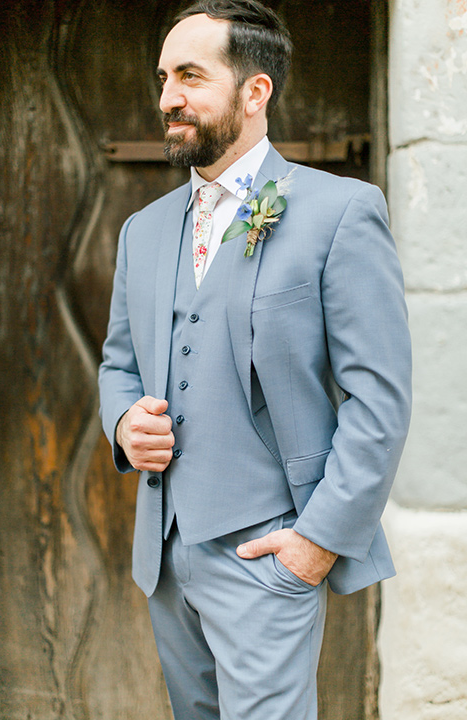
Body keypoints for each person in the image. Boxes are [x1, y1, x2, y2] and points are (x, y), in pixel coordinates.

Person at [98, 1, 411, 718]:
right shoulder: (141, 232)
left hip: (271, 554)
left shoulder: (340, 212)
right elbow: (118, 364)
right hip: (166, 559)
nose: (166, 97)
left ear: (254, 91)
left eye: (189, 76)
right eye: (162, 77)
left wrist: (317, 543)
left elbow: (380, 401)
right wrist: (123, 423)